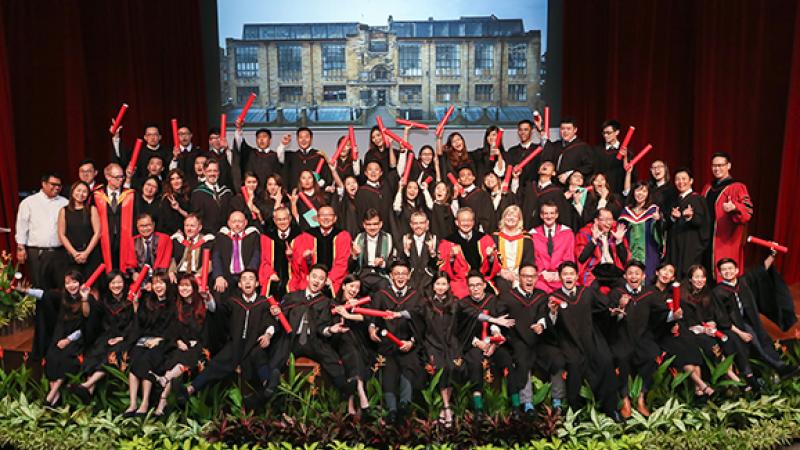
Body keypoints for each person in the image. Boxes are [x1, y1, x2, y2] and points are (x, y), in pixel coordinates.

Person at [174, 269, 280, 407]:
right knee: (217, 362)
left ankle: (268, 385)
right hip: (235, 344)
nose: (247, 282)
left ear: (257, 283)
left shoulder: (263, 303)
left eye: (251, 279)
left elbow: (270, 322)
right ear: (239, 284)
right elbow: (218, 312)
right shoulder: (233, 302)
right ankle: (190, 389)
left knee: (259, 356)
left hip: (254, 344)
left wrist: (268, 335)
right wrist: (209, 298)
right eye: (244, 279)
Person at [545, 261, 621, 422]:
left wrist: (612, 312)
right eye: (565, 274)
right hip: (569, 341)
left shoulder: (587, 293)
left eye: (571, 274)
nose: (568, 277)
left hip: (591, 337)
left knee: (606, 360)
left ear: (577, 276)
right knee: (574, 365)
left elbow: (603, 310)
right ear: (560, 277)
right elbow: (550, 326)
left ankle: (610, 408)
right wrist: (552, 313)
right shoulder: (554, 298)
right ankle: (575, 413)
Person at [270, 264, 357, 399]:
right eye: (314, 277)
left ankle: (344, 388)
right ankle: (269, 391)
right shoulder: (292, 297)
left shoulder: (326, 303)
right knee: (279, 354)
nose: (316, 281)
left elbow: (323, 327)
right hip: (292, 338)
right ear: (308, 277)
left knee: (329, 357)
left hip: (314, 340)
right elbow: (281, 317)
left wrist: (330, 329)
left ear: (325, 282)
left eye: (321, 279)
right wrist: (276, 314)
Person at [606, 260, 677, 418]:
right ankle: (625, 400)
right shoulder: (616, 293)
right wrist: (620, 307)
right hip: (621, 337)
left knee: (651, 355)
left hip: (643, 337)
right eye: (630, 273)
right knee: (622, 358)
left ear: (643, 276)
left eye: (637, 274)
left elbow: (661, 315)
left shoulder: (650, 293)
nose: (634, 277)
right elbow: (607, 317)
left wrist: (673, 316)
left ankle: (641, 398)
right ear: (625, 276)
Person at [714, 255, 799, 380]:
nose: (728, 271)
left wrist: (772, 255)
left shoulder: (744, 282)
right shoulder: (718, 292)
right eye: (724, 269)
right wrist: (740, 332)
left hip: (752, 320)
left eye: (730, 268)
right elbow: (722, 317)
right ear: (720, 273)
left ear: (737, 270)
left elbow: (760, 270)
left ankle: (778, 369)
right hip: (735, 325)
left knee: (764, 340)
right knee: (755, 342)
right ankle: (780, 368)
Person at [496, 264, 566, 415]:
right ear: (519, 277)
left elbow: (544, 314)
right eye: (525, 276)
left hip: (539, 341)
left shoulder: (542, 296)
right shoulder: (507, 297)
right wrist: (500, 329)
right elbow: (499, 318)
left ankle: (557, 401)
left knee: (557, 358)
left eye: (532, 277)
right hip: (518, 340)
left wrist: (541, 324)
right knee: (522, 360)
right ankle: (527, 403)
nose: (529, 280)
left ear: (536, 278)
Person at [367, 261, 424, 423]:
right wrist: (371, 329)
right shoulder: (382, 294)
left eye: (403, 274)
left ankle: (404, 406)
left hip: (408, 344)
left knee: (409, 368)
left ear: (409, 276)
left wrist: (411, 342)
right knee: (388, 371)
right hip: (387, 343)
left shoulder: (416, 296)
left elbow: (421, 321)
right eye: (397, 273)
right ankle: (391, 410)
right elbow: (373, 316)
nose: (400, 277)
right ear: (391, 276)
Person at [67, 271, 135, 403]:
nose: (116, 285)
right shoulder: (105, 301)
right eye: (113, 282)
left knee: (112, 355)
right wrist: (84, 298)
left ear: (124, 283)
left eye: (119, 282)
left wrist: (122, 337)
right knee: (95, 353)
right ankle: (88, 393)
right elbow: (87, 315)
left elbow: (135, 323)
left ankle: (86, 385)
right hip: (107, 336)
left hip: (124, 338)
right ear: (108, 285)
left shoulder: (130, 300)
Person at [455, 272, 515, 420]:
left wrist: (494, 341)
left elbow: (498, 325)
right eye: (471, 286)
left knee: (507, 360)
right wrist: (478, 343)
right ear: (468, 287)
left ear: (484, 285)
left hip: (493, 344)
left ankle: (515, 406)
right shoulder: (462, 304)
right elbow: (460, 330)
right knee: (475, 362)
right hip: (473, 344)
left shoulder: (493, 300)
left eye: (478, 285)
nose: (475, 288)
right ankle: (478, 408)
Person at [151, 275, 210, 416]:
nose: (184, 288)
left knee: (183, 359)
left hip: (200, 347)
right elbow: (172, 330)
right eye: (181, 285)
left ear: (194, 288)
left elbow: (206, 332)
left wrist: (193, 343)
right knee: (174, 359)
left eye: (187, 285)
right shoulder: (176, 307)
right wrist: (177, 341)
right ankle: (162, 402)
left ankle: (164, 385)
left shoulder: (203, 305)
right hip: (182, 345)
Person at [126, 272, 175, 417]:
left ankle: (145, 402)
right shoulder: (148, 300)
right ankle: (133, 403)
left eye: (161, 283)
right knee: (136, 355)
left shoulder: (173, 303)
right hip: (145, 338)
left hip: (163, 341)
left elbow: (174, 327)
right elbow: (140, 323)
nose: (158, 286)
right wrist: (136, 305)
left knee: (147, 359)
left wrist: (159, 339)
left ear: (167, 285)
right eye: (155, 283)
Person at [41, 270, 92, 407]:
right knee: (51, 356)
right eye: (68, 283)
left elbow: (86, 317)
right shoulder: (64, 298)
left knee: (65, 358)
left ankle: (51, 395)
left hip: (77, 338)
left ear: (80, 283)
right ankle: (56, 397)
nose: (71, 285)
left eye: (74, 282)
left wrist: (68, 340)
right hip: (61, 336)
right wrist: (24, 290)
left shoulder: (86, 297)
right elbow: (43, 294)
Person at [702, 152, 753, 278]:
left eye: (720, 165)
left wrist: (735, 207)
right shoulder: (708, 187)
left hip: (725, 240)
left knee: (724, 274)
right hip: (706, 238)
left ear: (728, 166)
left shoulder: (737, 187)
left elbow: (747, 212)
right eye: (714, 165)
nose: (717, 169)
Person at [419, 272, 461, 427]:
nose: (441, 287)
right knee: (441, 369)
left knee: (452, 368)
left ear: (448, 286)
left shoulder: (455, 303)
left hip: (451, 344)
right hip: (433, 344)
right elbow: (415, 318)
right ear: (433, 286)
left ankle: (445, 408)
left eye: (444, 284)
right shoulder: (426, 304)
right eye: (438, 284)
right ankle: (447, 407)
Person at [16, 172, 70, 290]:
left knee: (62, 288)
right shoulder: (29, 202)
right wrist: (21, 248)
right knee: (39, 289)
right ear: (44, 184)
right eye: (53, 184)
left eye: (59, 185)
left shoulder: (65, 202)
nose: (57, 188)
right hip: (37, 253)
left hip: (60, 253)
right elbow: (22, 226)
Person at [329, 276, 373, 416]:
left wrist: (350, 313)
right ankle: (362, 395)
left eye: (357, 288)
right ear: (344, 286)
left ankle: (350, 406)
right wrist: (343, 314)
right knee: (348, 343)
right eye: (351, 286)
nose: (354, 290)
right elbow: (332, 323)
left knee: (354, 353)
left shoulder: (359, 303)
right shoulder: (333, 303)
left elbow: (366, 318)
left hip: (358, 342)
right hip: (338, 341)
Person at [290, 205, 352, 295]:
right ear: (317, 219)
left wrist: (329, 278)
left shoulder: (343, 236)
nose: (326, 218)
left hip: (334, 279)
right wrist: (306, 259)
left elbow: (342, 262)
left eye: (329, 215)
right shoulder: (307, 236)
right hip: (311, 278)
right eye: (322, 215)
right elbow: (299, 263)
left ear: (335, 218)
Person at [438, 208, 500, 298]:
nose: (466, 223)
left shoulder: (485, 239)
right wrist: (451, 257)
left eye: (469, 220)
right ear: (456, 222)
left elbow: (498, 264)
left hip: (482, 280)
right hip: (460, 282)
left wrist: (491, 257)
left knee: (491, 298)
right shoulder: (447, 242)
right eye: (463, 220)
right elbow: (441, 268)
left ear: (473, 222)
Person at [666, 168, 710, 277]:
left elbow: (702, 222)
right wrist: (672, 218)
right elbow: (668, 224)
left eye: (684, 179)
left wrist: (690, 217)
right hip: (675, 246)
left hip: (691, 246)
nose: (680, 182)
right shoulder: (674, 200)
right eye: (677, 179)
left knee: (689, 275)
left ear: (691, 181)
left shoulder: (698, 199)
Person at [93, 164, 136, 271]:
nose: (121, 180)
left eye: (122, 177)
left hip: (124, 238)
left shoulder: (130, 195)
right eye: (117, 177)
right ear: (107, 176)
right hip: (103, 239)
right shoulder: (97, 195)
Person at [618, 181, 663, 279]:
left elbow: (660, 235)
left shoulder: (653, 211)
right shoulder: (626, 211)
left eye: (644, 191)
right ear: (633, 192)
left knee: (648, 278)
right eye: (638, 190)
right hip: (630, 252)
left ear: (648, 194)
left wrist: (659, 221)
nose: (640, 194)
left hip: (649, 253)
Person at [575, 208, 629, 289]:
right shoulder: (585, 233)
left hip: (613, 270)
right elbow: (581, 258)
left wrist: (619, 241)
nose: (608, 223)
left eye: (610, 219)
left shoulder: (616, 231)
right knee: (592, 289)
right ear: (596, 221)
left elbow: (625, 260)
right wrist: (593, 240)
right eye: (605, 220)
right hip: (594, 271)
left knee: (623, 286)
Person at [58, 181, 101, 278]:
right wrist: (75, 254)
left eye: (84, 191)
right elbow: (61, 235)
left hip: (91, 254)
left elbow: (97, 233)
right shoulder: (64, 211)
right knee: (74, 282)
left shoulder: (92, 209)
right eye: (78, 190)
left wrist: (86, 253)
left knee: (92, 283)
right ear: (72, 191)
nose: (81, 194)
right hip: (72, 255)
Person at [530, 202, 575, 293]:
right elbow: (534, 257)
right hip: (542, 277)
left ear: (556, 215)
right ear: (541, 215)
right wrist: (543, 272)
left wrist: (561, 272)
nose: (549, 216)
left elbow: (569, 256)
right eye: (546, 213)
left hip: (561, 276)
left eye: (552, 213)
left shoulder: (567, 233)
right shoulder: (533, 234)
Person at [259, 207, 300, 299]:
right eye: (279, 219)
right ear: (274, 220)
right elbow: (263, 260)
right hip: (272, 277)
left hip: (293, 279)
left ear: (290, 218)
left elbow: (303, 265)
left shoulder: (298, 236)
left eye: (284, 219)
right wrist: (270, 273)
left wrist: (292, 256)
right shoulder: (267, 237)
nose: (282, 222)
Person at [350, 209, 394, 294]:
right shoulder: (359, 238)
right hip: (363, 274)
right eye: (369, 224)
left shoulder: (388, 238)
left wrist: (382, 263)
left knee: (384, 287)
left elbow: (392, 263)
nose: (372, 227)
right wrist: (354, 256)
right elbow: (351, 267)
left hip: (381, 274)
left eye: (375, 224)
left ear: (380, 224)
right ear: (364, 225)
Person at [491, 205, 535, 291]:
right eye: (508, 215)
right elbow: (492, 261)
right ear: (503, 218)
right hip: (500, 275)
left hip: (520, 276)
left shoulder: (526, 239)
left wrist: (518, 276)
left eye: (515, 216)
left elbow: (529, 261)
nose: (511, 218)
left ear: (519, 220)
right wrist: (501, 271)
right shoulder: (495, 238)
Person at [518, 161, 572, 229]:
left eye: (548, 165)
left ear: (553, 173)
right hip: (523, 228)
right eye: (543, 164)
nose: (545, 166)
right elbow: (517, 200)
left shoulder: (557, 192)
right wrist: (516, 178)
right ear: (538, 171)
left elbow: (563, 216)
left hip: (544, 232)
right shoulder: (529, 187)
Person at [541, 118, 594, 186]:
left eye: (568, 129)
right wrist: (541, 129)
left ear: (575, 130)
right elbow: (547, 148)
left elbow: (589, 166)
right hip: (555, 185)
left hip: (572, 186)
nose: (565, 132)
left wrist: (570, 174)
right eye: (562, 129)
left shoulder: (583, 147)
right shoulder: (557, 145)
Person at [168, 214, 215, 282]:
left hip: (197, 275)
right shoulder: (178, 240)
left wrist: (198, 276)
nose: (189, 229)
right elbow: (172, 259)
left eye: (192, 226)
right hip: (179, 274)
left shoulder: (207, 242)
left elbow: (210, 263)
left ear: (199, 227)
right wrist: (171, 272)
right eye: (186, 225)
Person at [400, 211, 439, 292]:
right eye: (415, 223)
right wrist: (407, 252)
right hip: (410, 282)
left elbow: (439, 265)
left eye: (421, 223)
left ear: (427, 223)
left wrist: (432, 254)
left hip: (428, 282)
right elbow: (401, 264)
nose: (418, 226)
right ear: (411, 225)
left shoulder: (434, 239)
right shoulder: (405, 239)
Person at [593, 120, 633, 195]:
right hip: (601, 192)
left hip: (619, 192)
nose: (605, 135)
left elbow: (630, 172)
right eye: (604, 133)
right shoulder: (597, 151)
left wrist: (625, 157)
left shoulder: (627, 151)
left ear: (617, 132)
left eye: (608, 133)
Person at [453, 166, 495, 234]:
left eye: (469, 174)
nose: (466, 177)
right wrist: (455, 197)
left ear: (473, 178)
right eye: (463, 175)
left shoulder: (482, 194)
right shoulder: (458, 197)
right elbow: (455, 214)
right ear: (459, 180)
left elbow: (488, 216)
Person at [156, 169, 192, 235]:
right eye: (172, 179)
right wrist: (176, 232)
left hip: (188, 231)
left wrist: (179, 209)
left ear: (182, 180)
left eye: (178, 178)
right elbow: (168, 221)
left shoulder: (189, 195)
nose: (176, 181)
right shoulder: (168, 198)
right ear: (170, 182)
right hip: (173, 233)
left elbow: (191, 218)